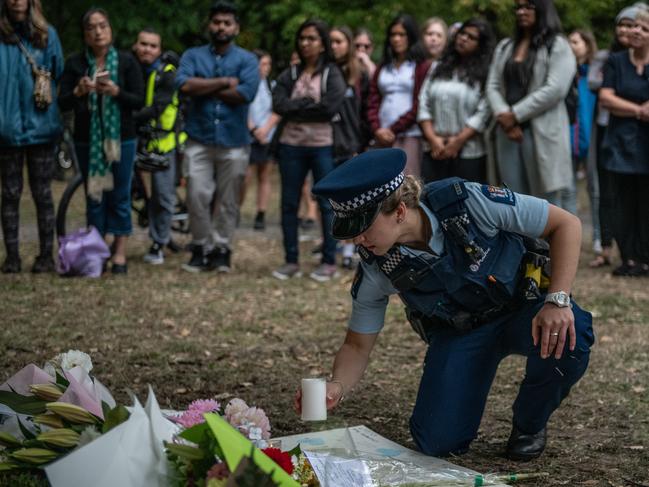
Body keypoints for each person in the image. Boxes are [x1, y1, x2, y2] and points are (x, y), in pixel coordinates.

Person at [295, 148, 593, 461]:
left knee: (573, 338)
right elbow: (357, 345)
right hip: (461, 333)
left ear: (399, 211)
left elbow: (566, 224)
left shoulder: (467, 201)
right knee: (437, 443)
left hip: (523, 311)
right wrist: (337, 386)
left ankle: (530, 424)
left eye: (364, 227)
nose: (357, 240)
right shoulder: (377, 266)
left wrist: (557, 301)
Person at [59, 7, 144, 275]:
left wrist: (116, 91)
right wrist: (79, 90)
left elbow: (139, 100)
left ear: (110, 30)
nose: (98, 31)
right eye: (92, 27)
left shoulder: (127, 62)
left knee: (119, 194)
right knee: (94, 195)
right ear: (85, 35)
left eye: (103, 26)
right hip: (87, 139)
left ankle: (119, 253)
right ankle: (96, 252)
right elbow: (62, 102)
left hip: (122, 138)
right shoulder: (75, 63)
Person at [176, 1, 259, 273]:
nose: (221, 27)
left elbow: (245, 94)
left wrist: (204, 86)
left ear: (236, 27)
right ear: (209, 25)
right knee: (197, 194)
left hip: (234, 141)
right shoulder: (192, 55)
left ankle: (222, 249)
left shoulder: (247, 60)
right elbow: (184, 85)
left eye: (227, 23)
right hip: (198, 138)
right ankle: (200, 246)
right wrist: (224, 82)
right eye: (216, 22)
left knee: (228, 199)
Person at [271, 19, 346, 282]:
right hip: (291, 146)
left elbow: (329, 108)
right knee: (289, 203)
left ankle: (328, 260)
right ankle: (291, 260)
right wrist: (305, 103)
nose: (305, 43)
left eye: (312, 38)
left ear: (322, 43)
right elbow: (278, 104)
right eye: (302, 38)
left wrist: (296, 106)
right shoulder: (290, 74)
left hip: (322, 146)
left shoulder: (332, 73)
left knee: (327, 204)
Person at [486, 0, 576, 213]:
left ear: (542, 10)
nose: (521, 11)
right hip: (507, 131)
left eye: (528, 7)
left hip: (542, 132)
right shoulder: (506, 46)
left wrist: (515, 114)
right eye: (518, 7)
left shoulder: (558, 45)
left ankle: (551, 247)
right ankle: (520, 247)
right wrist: (504, 116)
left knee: (546, 203)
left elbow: (555, 89)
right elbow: (492, 85)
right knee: (511, 199)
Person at [0, 0, 63, 273]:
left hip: (42, 127)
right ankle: (12, 257)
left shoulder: (47, 35)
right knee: (10, 193)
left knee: (43, 193)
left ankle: (46, 256)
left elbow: (57, 70)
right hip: (6, 129)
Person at [586, 5, 642, 269]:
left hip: (640, 137)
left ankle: (638, 254)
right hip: (611, 133)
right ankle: (609, 247)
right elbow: (600, 92)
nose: (629, 30)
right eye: (624, 25)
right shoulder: (609, 59)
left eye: (636, 26)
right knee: (608, 192)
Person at [599, 8, 649, 277]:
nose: (636, 31)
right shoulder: (616, 61)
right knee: (622, 201)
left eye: (644, 28)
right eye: (635, 27)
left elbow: (616, 100)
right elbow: (606, 98)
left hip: (646, 145)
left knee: (645, 201)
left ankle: (645, 257)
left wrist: (624, 107)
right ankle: (628, 257)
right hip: (620, 143)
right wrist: (640, 111)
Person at [418, 18, 495, 184]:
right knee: (428, 202)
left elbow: (484, 111)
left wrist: (458, 141)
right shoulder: (438, 66)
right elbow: (423, 102)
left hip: (468, 152)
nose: (464, 38)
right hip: (434, 149)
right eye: (462, 34)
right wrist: (433, 138)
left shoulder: (486, 72)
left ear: (481, 45)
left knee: (466, 205)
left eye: (471, 37)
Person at [132, 28, 185, 265]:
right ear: (136, 45)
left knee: (163, 197)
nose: (147, 49)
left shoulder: (167, 73)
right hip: (140, 140)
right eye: (143, 44)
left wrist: (129, 118)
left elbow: (158, 108)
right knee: (141, 193)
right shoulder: (131, 68)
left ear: (159, 50)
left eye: (153, 46)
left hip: (163, 143)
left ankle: (158, 243)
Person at [367, 14, 430, 176]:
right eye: (393, 35)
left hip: (409, 133)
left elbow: (420, 101)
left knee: (407, 185)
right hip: (381, 134)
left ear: (411, 36)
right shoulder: (384, 66)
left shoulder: (421, 66)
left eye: (401, 35)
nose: (396, 39)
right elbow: (373, 99)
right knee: (380, 184)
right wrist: (377, 128)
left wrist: (394, 129)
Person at [330, 25, 370, 269]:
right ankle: (333, 245)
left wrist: (360, 144)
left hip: (352, 143)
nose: (335, 46)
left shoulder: (360, 75)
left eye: (339, 41)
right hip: (327, 142)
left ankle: (350, 248)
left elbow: (365, 113)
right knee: (331, 200)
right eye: (331, 41)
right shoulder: (326, 71)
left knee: (352, 199)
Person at [242, 49, 280, 231]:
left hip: (268, 136)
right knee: (245, 177)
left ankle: (261, 213)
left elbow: (277, 110)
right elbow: (243, 109)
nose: (266, 68)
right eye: (263, 64)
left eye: (268, 64)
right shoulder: (247, 84)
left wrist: (265, 130)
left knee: (265, 175)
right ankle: (236, 208)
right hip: (249, 135)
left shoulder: (272, 85)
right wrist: (255, 129)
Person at [567, 29, 598, 251]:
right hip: (567, 140)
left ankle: (598, 237)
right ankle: (569, 238)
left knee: (594, 189)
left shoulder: (595, 74)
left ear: (587, 44)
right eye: (569, 41)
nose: (571, 45)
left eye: (576, 41)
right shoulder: (564, 73)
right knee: (567, 190)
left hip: (591, 138)